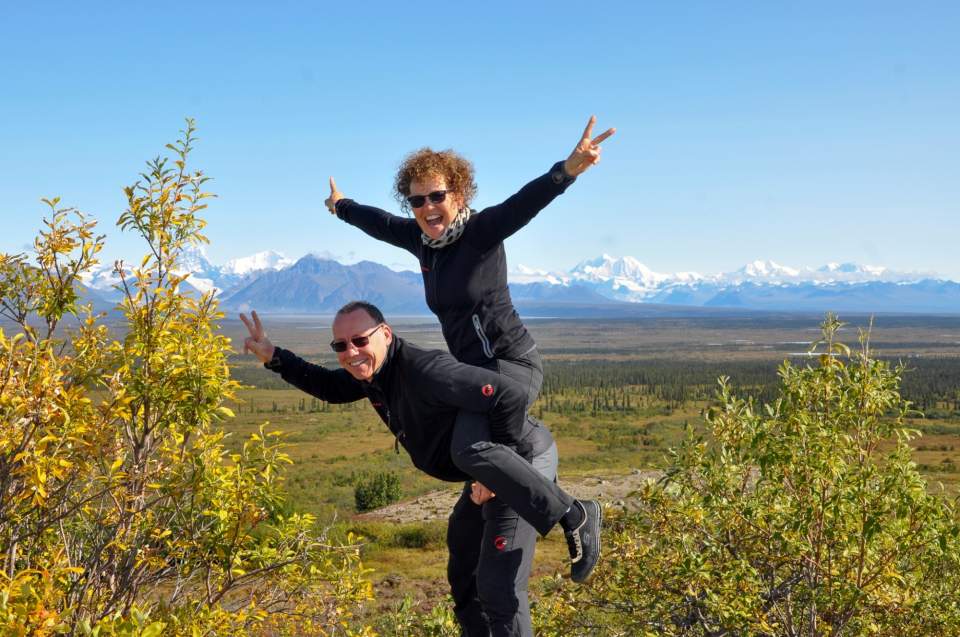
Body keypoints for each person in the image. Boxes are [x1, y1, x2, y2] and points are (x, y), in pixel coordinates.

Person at [240, 304, 601, 637]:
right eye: (340, 345)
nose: (350, 352)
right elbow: (331, 387)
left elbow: (508, 395)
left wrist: (495, 475)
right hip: (485, 468)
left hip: (519, 459)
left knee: (498, 587)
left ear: (386, 333)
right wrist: (274, 356)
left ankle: (575, 514)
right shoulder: (375, 373)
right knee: (464, 571)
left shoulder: (425, 370)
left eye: (360, 340)